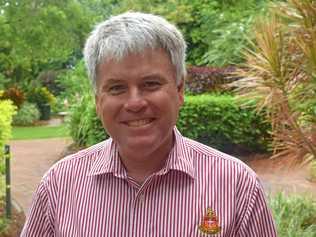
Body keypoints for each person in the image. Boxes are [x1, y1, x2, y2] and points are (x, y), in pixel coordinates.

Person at [21, 12, 277, 236]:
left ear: (179, 91)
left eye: (150, 84)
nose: (134, 103)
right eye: (117, 87)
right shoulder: (59, 185)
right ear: (98, 101)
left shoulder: (235, 186)